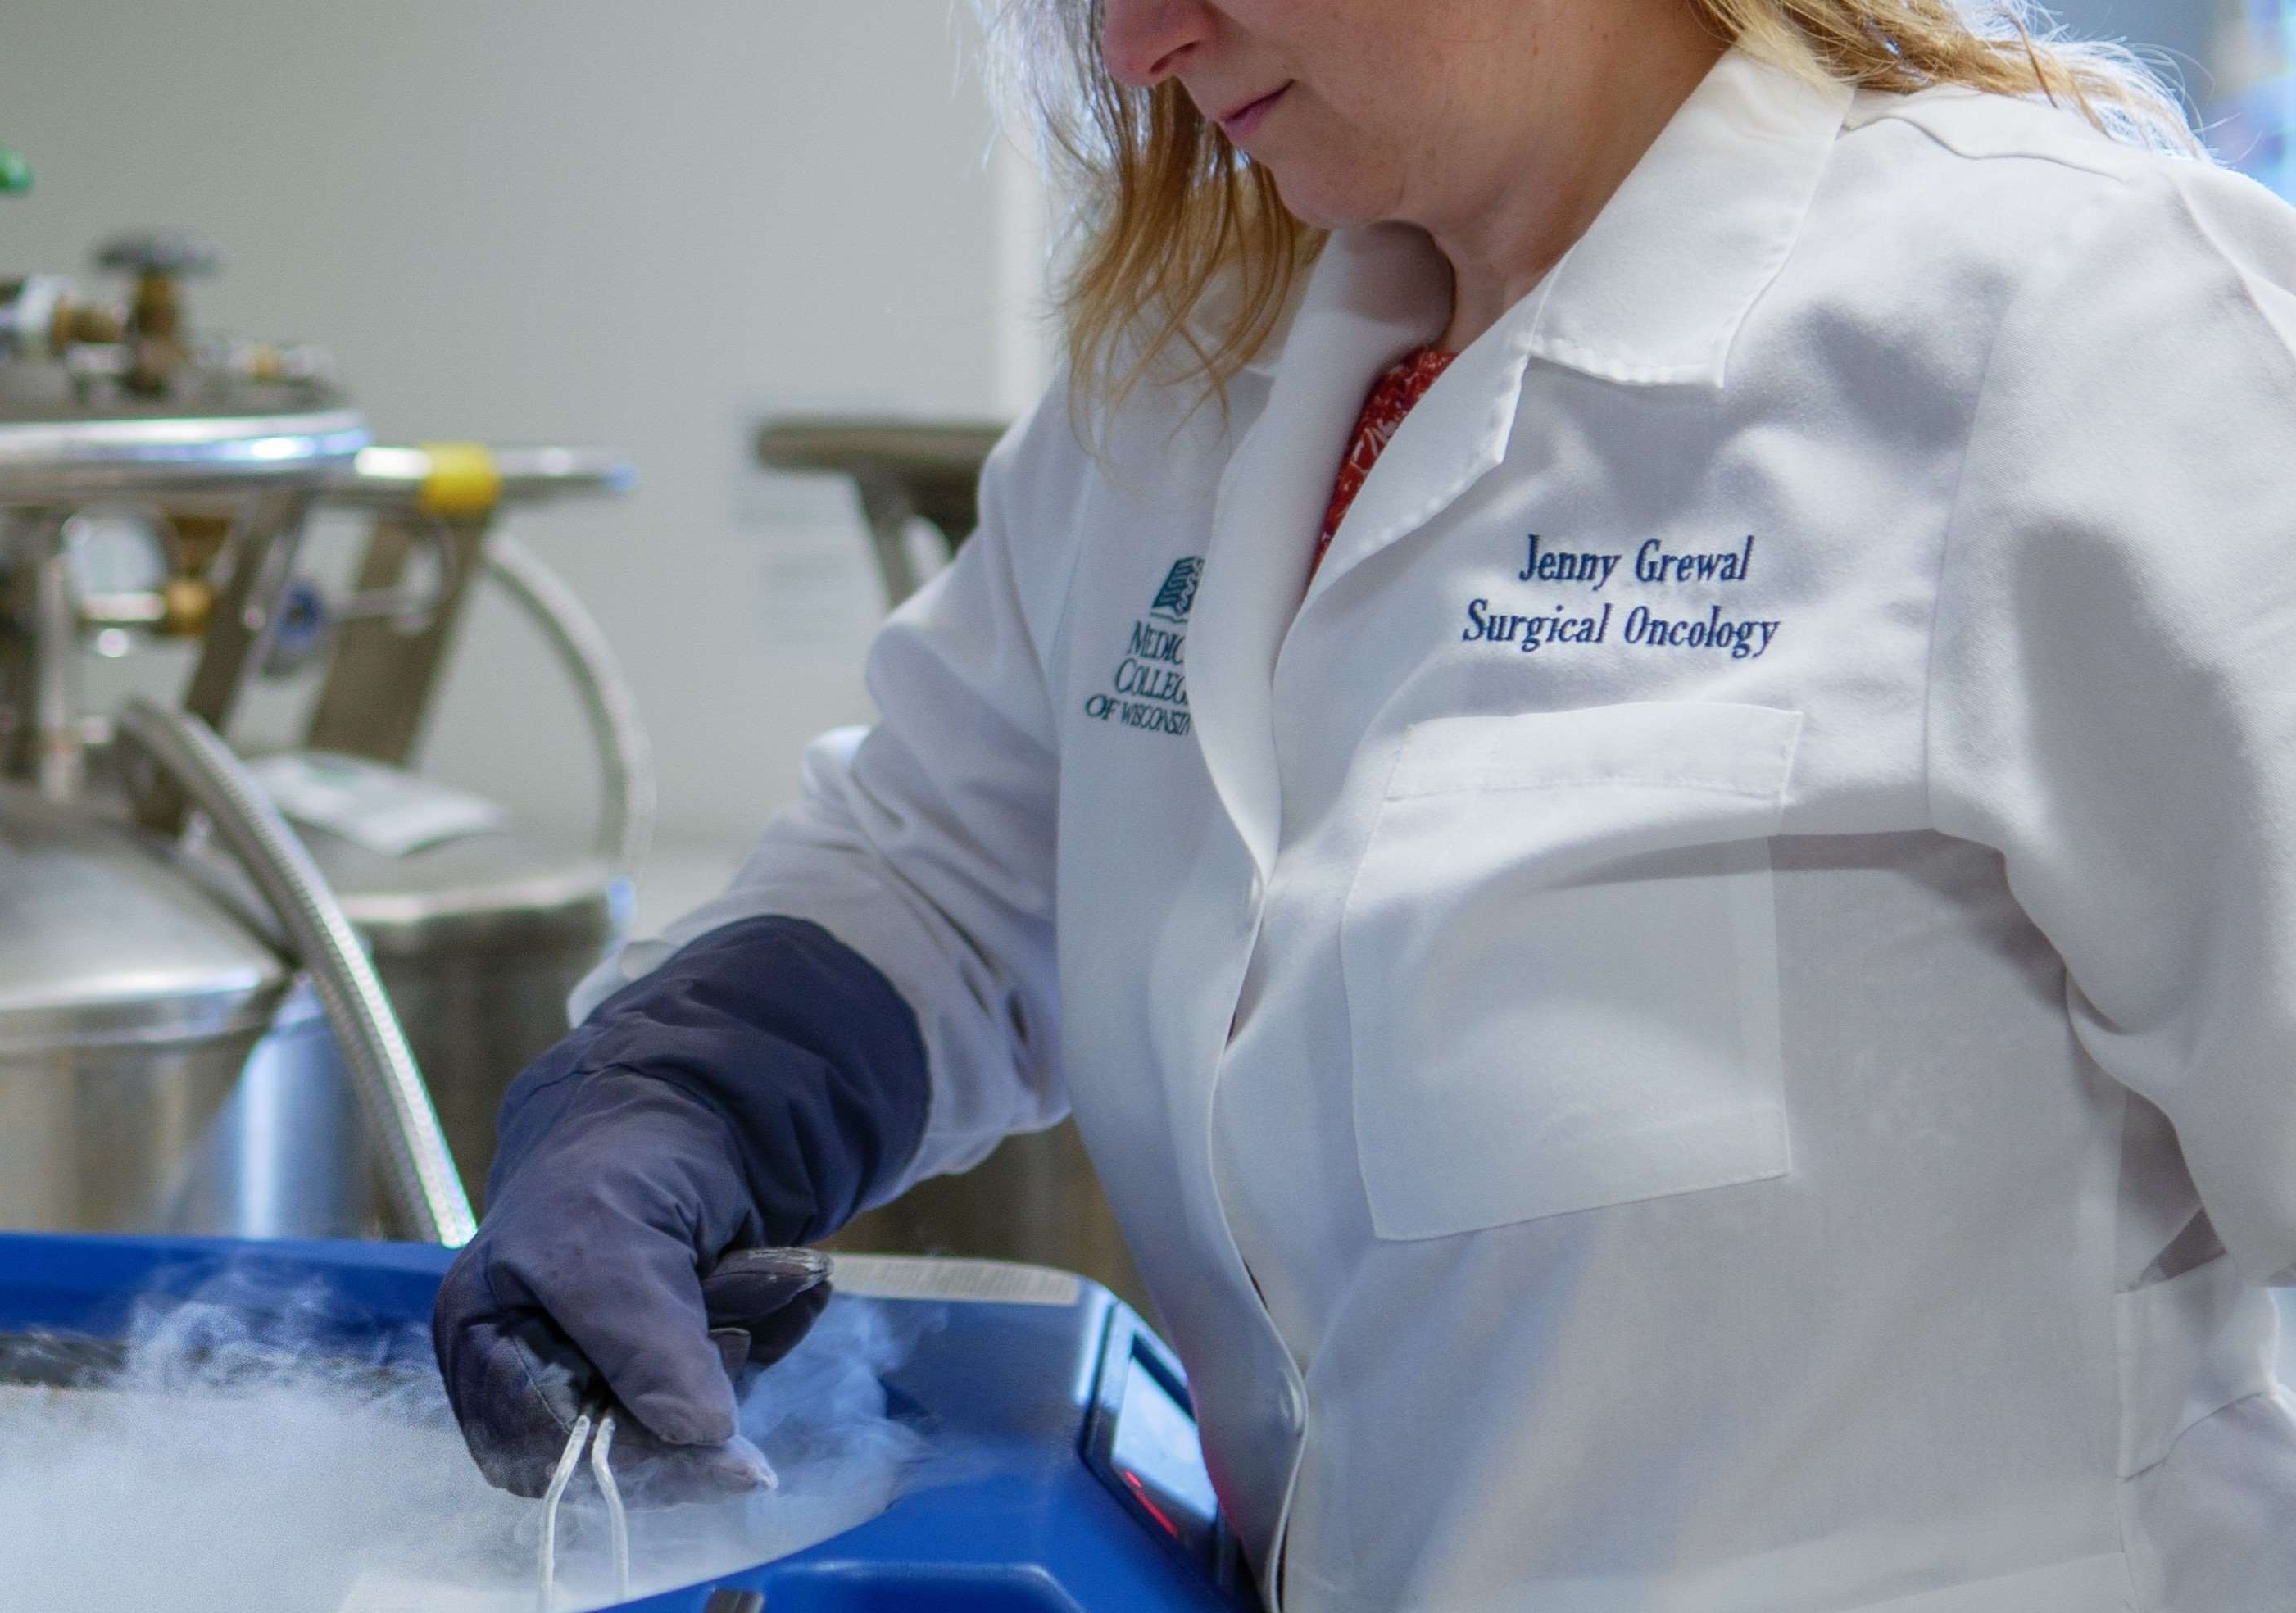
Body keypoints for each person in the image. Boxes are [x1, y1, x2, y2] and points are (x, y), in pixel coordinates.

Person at [434, 1, 2296, 1606]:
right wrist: (677, 1098)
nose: (1135, 47)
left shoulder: (2068, 329)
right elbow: (943, 867)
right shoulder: (1183, 381)